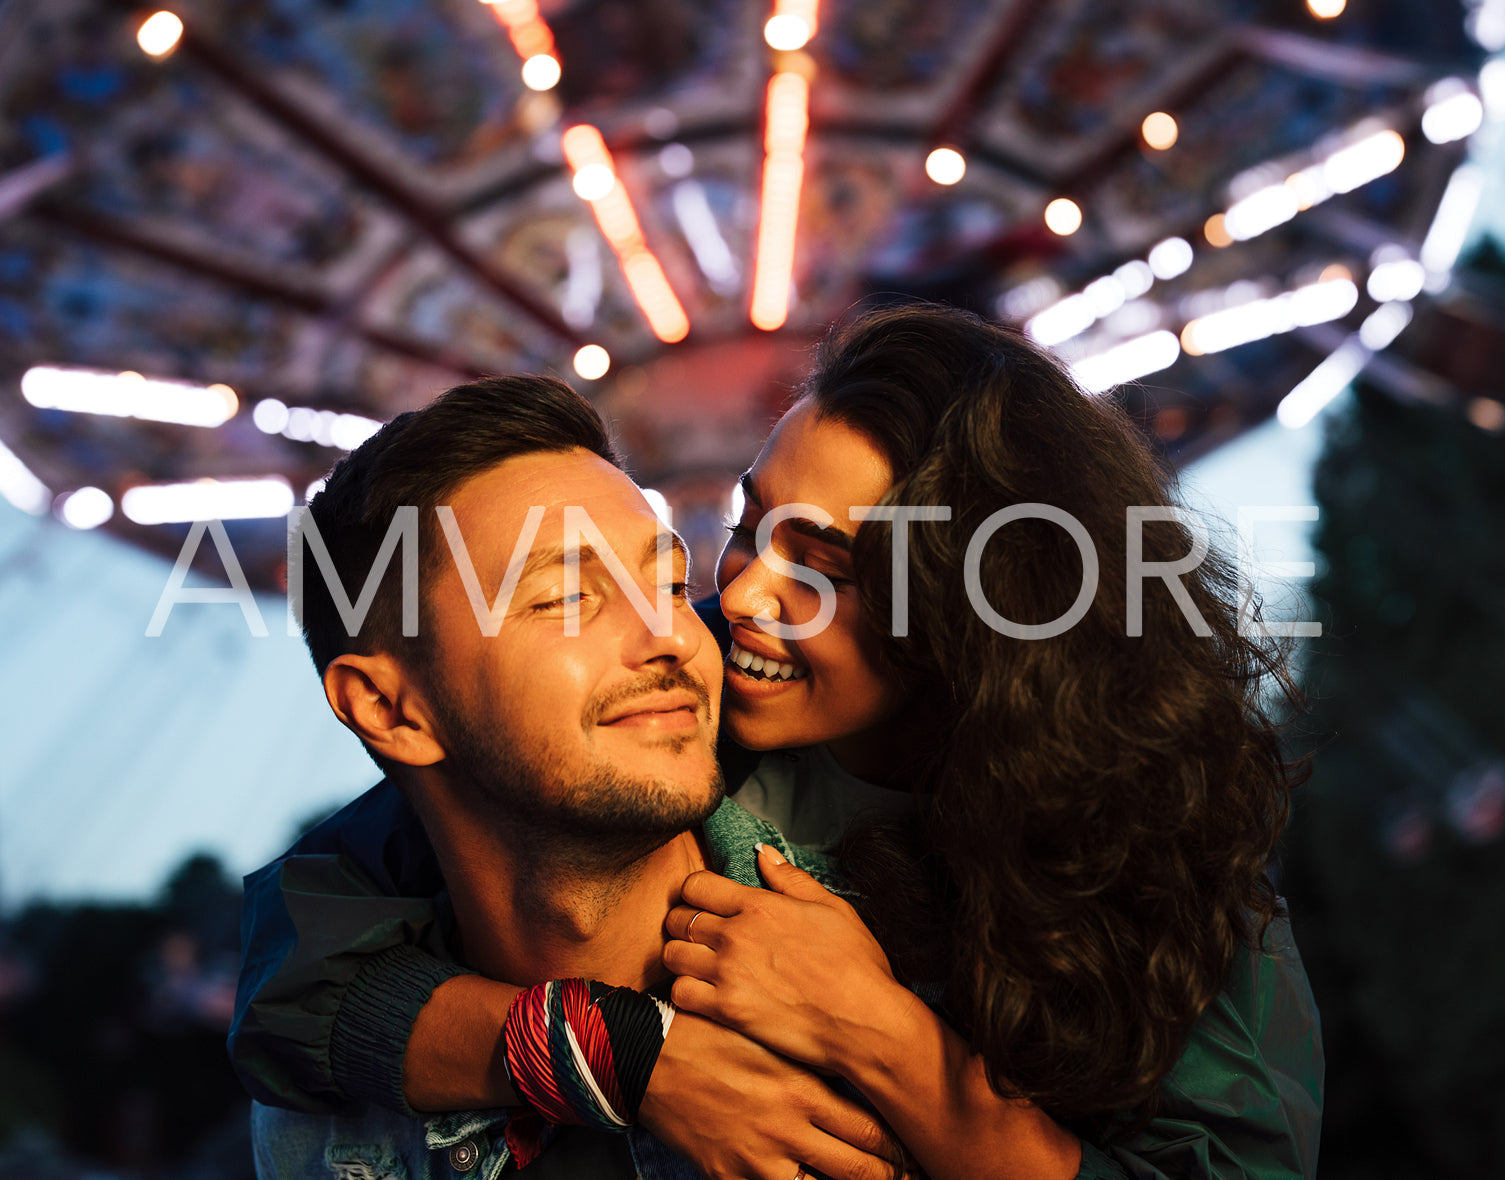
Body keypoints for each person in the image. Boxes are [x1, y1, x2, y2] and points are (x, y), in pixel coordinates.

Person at [234, 305, 1323, 1179]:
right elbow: (293, 955)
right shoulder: (675, 692)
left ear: (968, 619)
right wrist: (624, 1055)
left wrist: (884, 1039)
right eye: (746, 528)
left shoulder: (1152, 855)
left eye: (827, 569)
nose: (733, 597)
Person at [247, 373, 900, 1179]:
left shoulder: (921, 949)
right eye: (563, 599)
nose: (678, 634)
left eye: (668, 582)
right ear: (389, 707)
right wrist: (608, 1051)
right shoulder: (326, 1143)